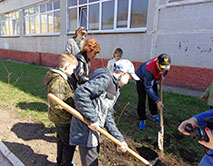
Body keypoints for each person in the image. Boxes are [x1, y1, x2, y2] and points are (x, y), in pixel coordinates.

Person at [69, 59, 140, 166]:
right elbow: (80, 93)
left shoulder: (115, 90)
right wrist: (93, 119)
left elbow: (107, 116)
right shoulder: (106, 80)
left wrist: (119, 139)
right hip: (85, 129)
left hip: (94, 131)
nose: (129, 81)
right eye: (129, 78)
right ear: (123, 74)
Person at [44, 53, 78, 166]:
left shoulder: (61, 78)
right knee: (69, 144)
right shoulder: (59, 81)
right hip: (62, 120)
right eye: (73, 69)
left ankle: (61, 161)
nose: (73, 72)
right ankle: (65, 163)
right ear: (67, 65)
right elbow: (57, 106)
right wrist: (69, 117)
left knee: (61, 141)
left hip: (59, 119)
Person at [135, 53, 171, 130]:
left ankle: (153, 114)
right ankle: (142, 119)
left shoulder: (164, 62)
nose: (163, 70)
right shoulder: (149, 69)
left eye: (165, 68)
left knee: (153, 97)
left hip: (152, 78)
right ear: (157, 63)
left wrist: (163, 76)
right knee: (142, 99)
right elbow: (148, 87)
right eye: (161, 68)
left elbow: (165, 70)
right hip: (141, 79)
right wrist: (158, 101)